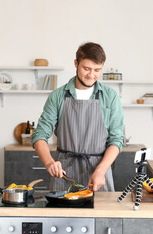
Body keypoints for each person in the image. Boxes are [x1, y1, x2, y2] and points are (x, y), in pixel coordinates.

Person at [31, 42, 124, 192]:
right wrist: (49, 163)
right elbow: (40, 135)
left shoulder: (110, 97)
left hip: (98, 174)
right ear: (76, 63)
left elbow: (117, 139)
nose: (91, 75)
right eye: (86, 68)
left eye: (97, 70)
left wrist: (101, 170)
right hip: (64, 175)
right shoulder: (57, 96)